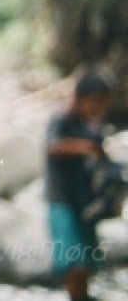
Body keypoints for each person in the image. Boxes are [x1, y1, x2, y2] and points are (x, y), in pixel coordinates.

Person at [45, 72, 114, 301]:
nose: (98, 108)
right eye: (95, 102)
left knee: (87, 260)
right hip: (63, 200)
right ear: (80, 98)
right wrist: (85, 147)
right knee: (73, 261)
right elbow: (53, 147)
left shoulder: (92, 128)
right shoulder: (61, 121)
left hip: (84, 201)